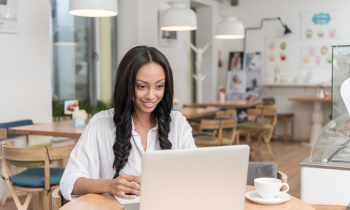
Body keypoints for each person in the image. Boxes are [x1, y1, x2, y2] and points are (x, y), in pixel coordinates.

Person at [60, 46, 197, 201]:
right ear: (126, 84)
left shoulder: (178, 123)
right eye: (141, 86)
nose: (151, 95)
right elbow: (69, 181)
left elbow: (195, 172)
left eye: (159, 86)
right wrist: (108, 185)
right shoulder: (99, 124)